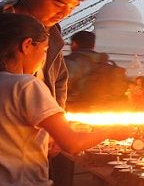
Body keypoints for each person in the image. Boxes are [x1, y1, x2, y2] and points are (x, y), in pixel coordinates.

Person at [0, 13, 131, 185]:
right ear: (27, 45)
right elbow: (72, 144)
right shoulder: (26, 85)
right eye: (45, 51)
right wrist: (111, 131)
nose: (43, 60)